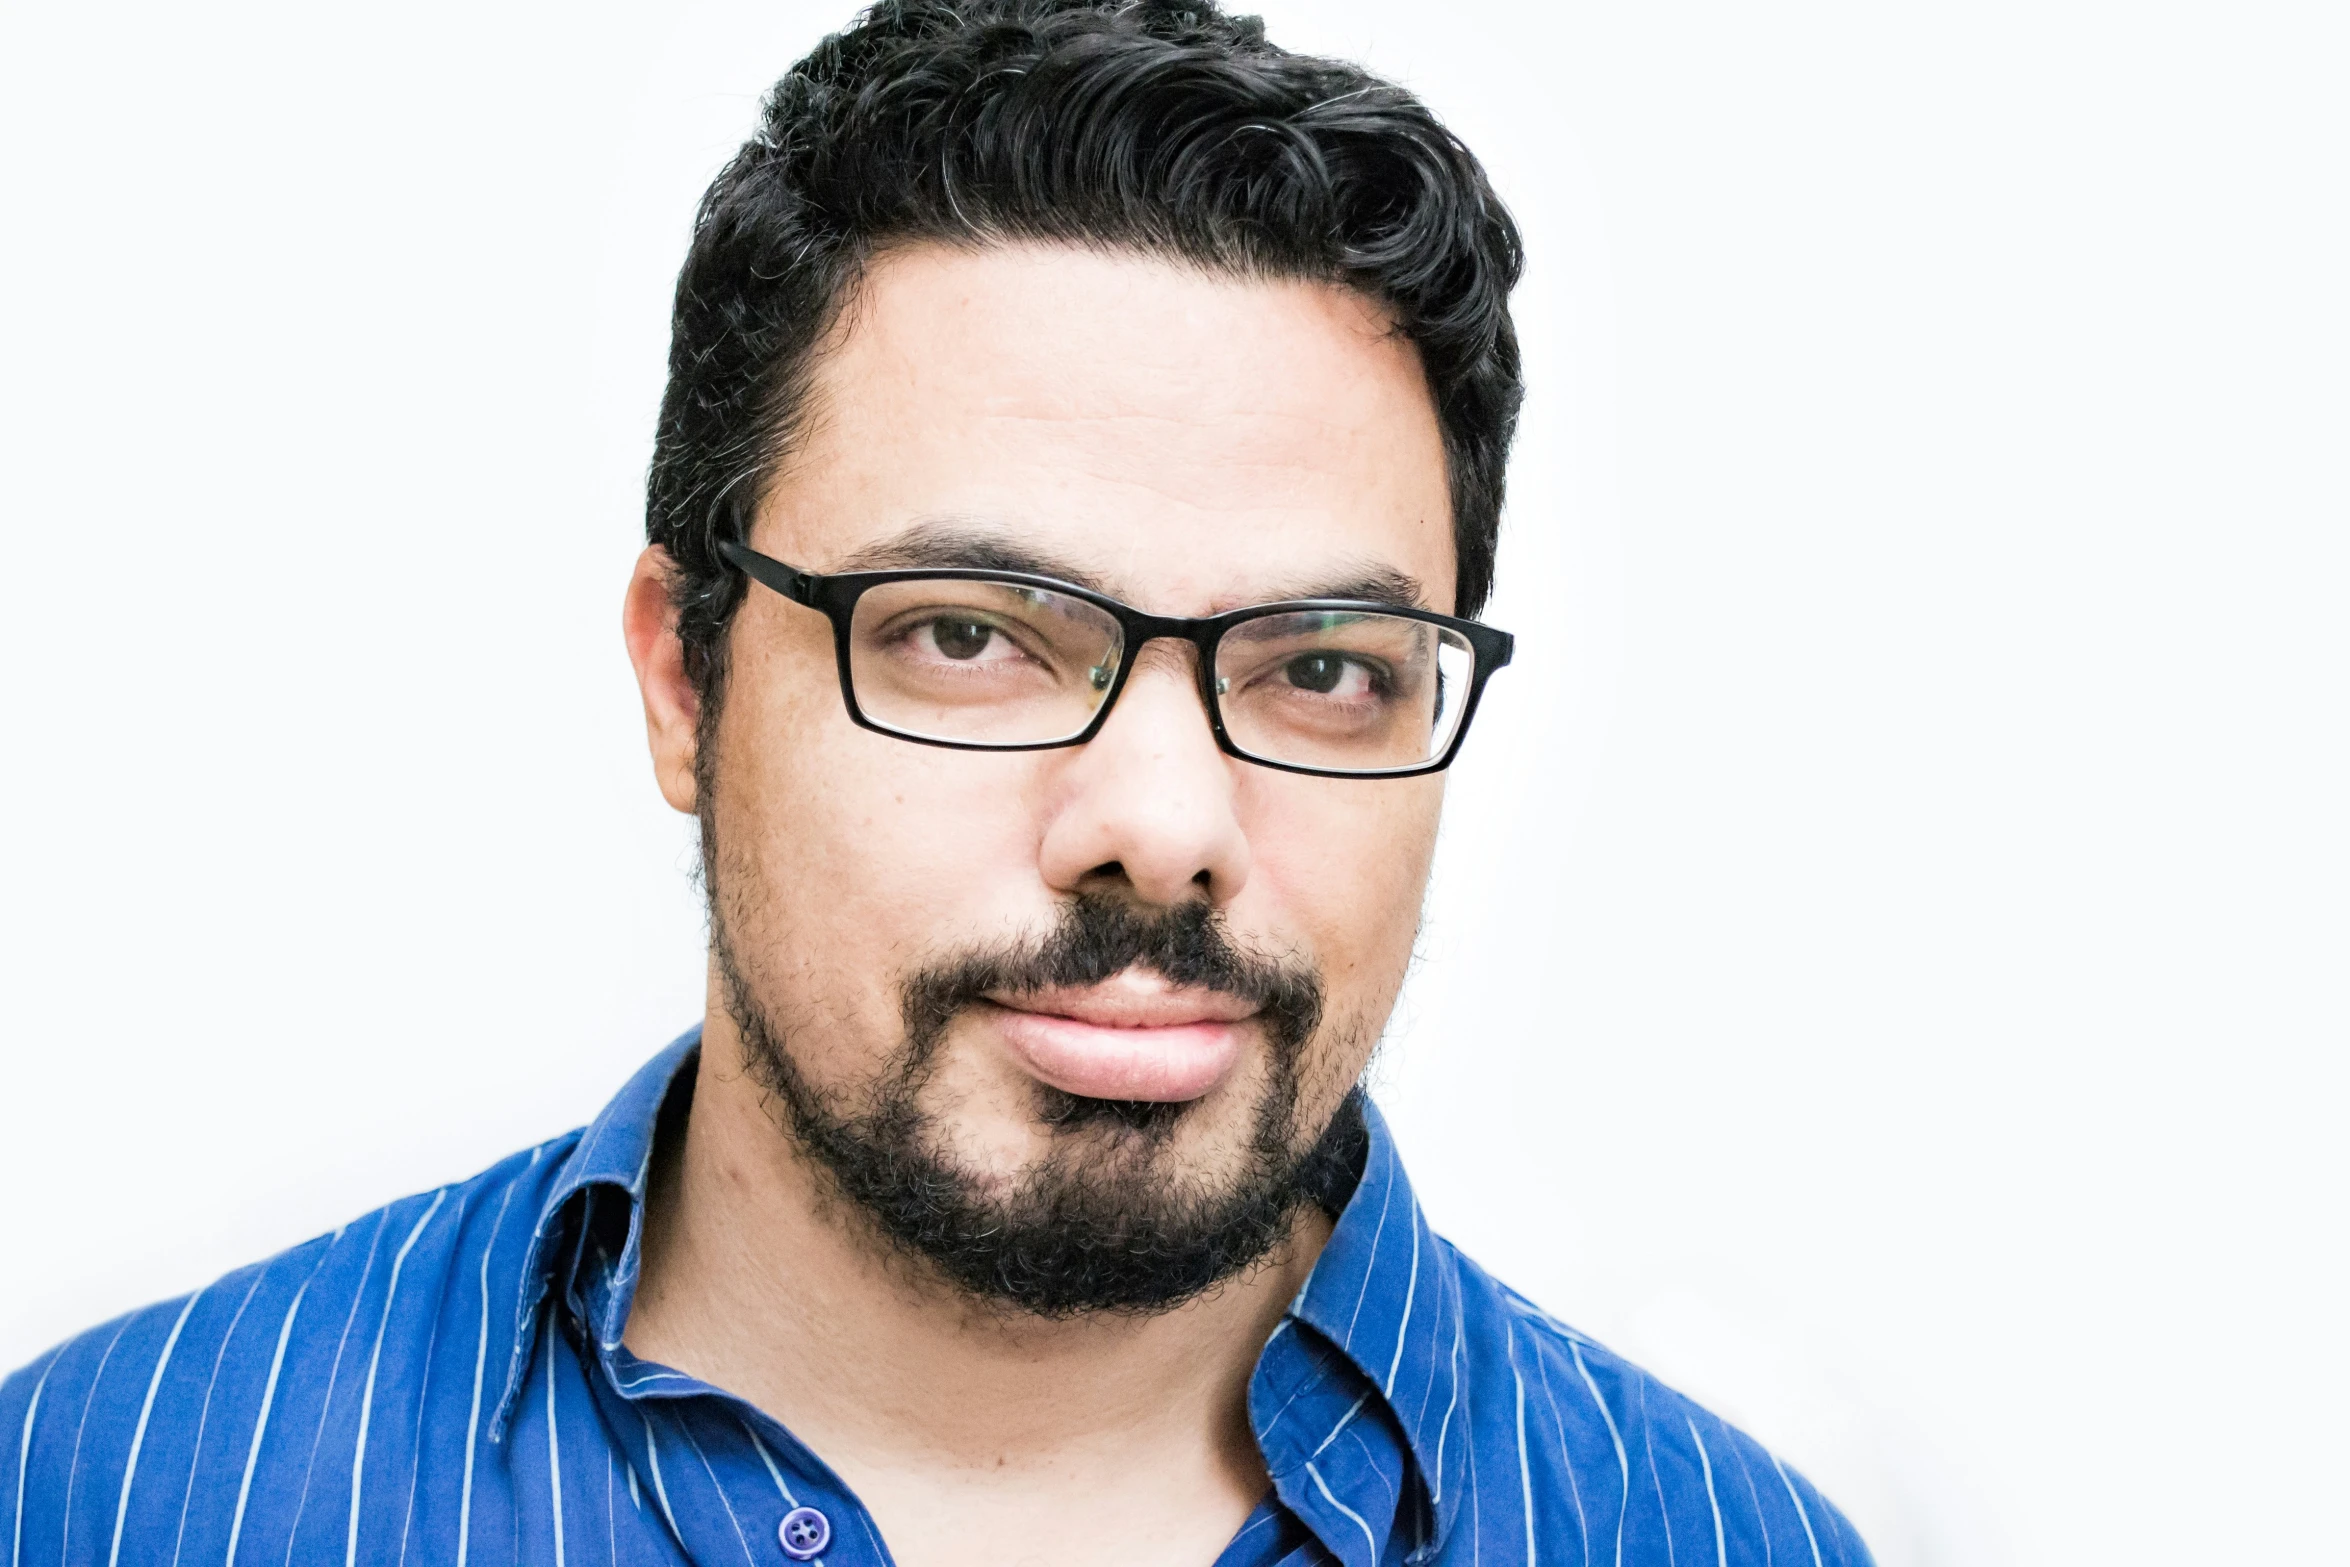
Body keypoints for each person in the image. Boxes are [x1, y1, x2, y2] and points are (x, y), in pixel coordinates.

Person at [1, 3, 1874, 1563]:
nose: (1164, 823)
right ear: (685, 675)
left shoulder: (1718, 1540)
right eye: (972, 634)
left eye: (1319, 667)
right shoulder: (102, 1496)